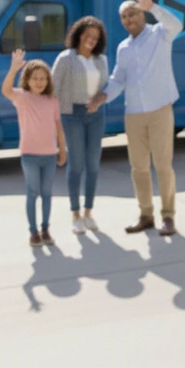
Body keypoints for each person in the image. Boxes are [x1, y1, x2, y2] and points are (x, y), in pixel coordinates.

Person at [93, 0, 183, 236]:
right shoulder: (123, 48)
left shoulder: (160, 34)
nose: (129, 19)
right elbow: (118, 79)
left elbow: (177, 24)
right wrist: (102, 97)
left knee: (163, 165)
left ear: (142, 14)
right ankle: (146, 215)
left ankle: (168, 217)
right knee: (139, 167)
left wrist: (152, 5)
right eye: (125, 16)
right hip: (133, 113)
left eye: (133, 13)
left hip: (159, 109)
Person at [1, 50, 67, 247]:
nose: (39, 82)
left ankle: (45, 229)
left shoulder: (52, 101)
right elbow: (6, 90)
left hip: (49, 155)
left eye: (43, 78)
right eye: (35, 78)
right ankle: (33, 232)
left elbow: (58, 126)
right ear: (27, 80)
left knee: (47, 193)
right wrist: (13, 69)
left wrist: (62, 149)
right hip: (29, 154)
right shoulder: (22, 97)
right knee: (33, 192)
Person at [52, 16, 110, 235]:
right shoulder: (66, 58)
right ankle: (75, 214)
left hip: (95, 114)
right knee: (76, 165)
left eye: (95, 37)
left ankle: (88, 212)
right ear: (78, 35)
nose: (91, 40)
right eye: (88, 35)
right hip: (72, 114)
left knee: (93, 165)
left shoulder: (101, 60)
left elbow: (106, 87)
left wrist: (101, 100)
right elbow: (53, 89)